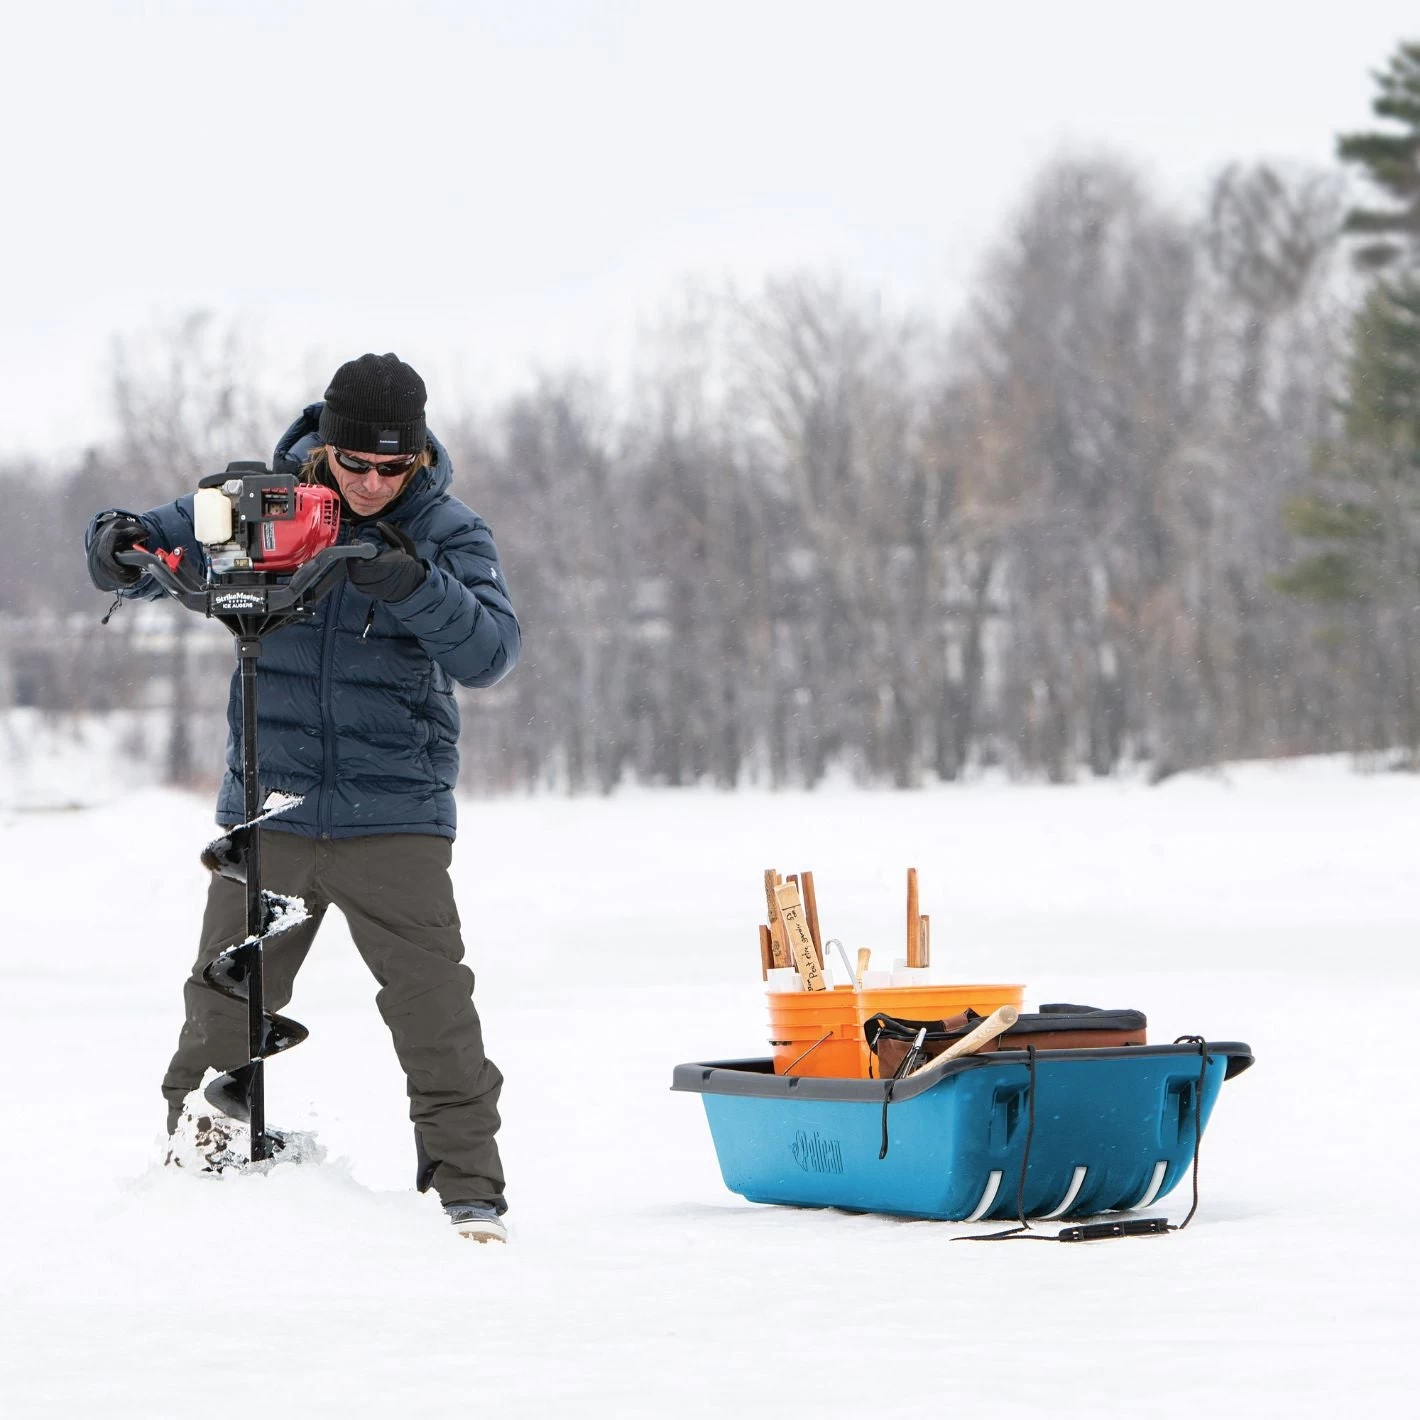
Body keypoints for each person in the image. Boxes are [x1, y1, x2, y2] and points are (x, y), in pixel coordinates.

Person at [84, 353, 520, 1243]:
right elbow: (150, 545)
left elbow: (490, 654)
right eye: (355, 463)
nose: (371, 484)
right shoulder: (262, 503)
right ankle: (196, 1180)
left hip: (394, 815)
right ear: (326, 444)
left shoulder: (446, 530)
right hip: (269, 807)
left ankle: (470, 1201)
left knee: (435, 1014)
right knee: (222, 1004)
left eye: (393, 468)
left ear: (418, 459)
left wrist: (416, 583)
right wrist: (112, 542)